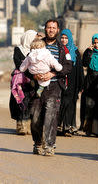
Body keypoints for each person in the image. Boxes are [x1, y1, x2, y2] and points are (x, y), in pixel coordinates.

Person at [30, 19, 72, 156]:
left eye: (54, 27)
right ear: (45, 29)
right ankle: (37, 143)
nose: (51, 30)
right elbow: (26, 64)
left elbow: (68, 67)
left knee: (51, 116)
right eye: (49, 27)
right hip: (37, 87)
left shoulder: (63, 49)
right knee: (35, 117)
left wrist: (52, 73)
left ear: (58, 30)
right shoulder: (37, 46)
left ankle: (49, 145)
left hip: (54, 86)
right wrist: (35, 76)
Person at [57, 29, 84, 137]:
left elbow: (79, 69)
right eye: (62, 38)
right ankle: (59, 126)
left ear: (70, 39)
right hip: (60, 80)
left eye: (66, 38)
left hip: (72, 82)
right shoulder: (57, 50)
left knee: (70, 104)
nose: (64, 40)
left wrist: (80, 84)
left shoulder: (75, 51)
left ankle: (68, 127)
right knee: (61, 103)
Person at [11, 30, 37, 135]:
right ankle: (21, 127)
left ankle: (29, 127)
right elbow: (18, 64)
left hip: (32, 80)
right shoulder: (18, 49)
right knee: (21, 102)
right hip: (21, 81)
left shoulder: (36, 49)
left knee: (31, 103)